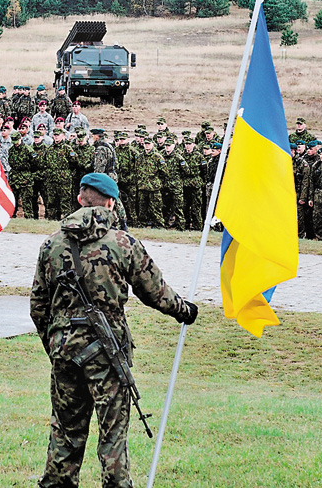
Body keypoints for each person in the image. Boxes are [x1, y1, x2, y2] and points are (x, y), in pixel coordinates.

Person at [30, 173, 198, 488]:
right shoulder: (123, 244)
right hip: (108, 353)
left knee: (65, 433)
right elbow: (155, 292)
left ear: (80, 199)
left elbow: (38, 306)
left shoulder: (51, 244)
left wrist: (55, 343)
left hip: (64, 350)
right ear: (110, 202)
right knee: (113, 434)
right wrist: (184, 310)